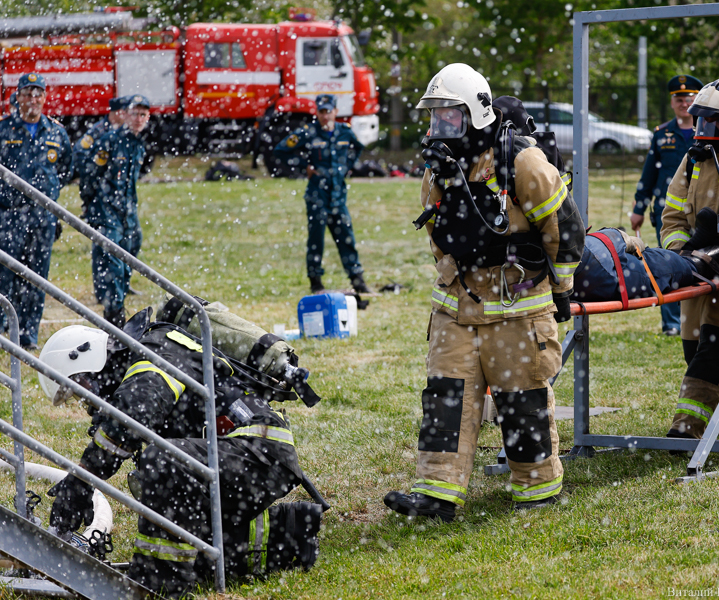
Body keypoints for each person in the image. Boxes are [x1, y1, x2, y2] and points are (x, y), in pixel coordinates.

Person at [383, 63, 585, 521]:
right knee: (446, 399)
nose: (439, 126)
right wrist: (455, 276)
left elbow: (564, 229)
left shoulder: (522, 163)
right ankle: (436, 495)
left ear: (475, 114)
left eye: (449, 116)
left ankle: (537, 489)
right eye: (435, 117)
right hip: (456, 307)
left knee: (522, 400)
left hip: (518, 306)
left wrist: (561, 290)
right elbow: (437, 234)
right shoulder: (438, 169)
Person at [39, 311, 323, 598]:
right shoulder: (142, 358)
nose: (87, 401)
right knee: (193, 547)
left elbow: (134, 415)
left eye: (82, 388)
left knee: (162, 463)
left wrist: (81, 481)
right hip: (249, 455)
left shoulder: (152, 353)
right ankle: (291, 531)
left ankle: (159, 583)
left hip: (257, 448)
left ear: (88, 359)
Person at [659, 78, 719, 441]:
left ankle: (686, 429)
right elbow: (672, 217)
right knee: (696, 351)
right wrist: (681, 257)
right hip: (697, 272)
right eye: (701, 121)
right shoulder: (694, 159)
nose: (705, 130)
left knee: (715, 352)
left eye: (714, 123)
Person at [0, 73, 73, 350]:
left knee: (36, 276)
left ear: (44, 97)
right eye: (27, 93)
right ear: (17, 97)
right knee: (5, 274)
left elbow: (64, 169)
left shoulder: (56, 132)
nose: (33, 99)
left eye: (38, 93)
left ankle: (28, 333)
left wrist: (47, 193)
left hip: (42, 217)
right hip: (9, 215)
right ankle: (2, 328)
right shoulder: (4, 130)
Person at [273, 94, 371, 294]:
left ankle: (357, 280)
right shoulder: (308, 132)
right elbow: (281, 150)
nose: (325, 116)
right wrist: (304, 166)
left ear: (336, 112)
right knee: (316, 239)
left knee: (346, 237)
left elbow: (357, 148)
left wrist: (346, 167)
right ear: (317, 113)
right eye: (321, 112)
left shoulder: (345, 132)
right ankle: (315, 282)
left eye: (328, 111)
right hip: (317, 195)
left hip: (338, 195)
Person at [632, 75, 703, 337]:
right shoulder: (662, 134)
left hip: (702, 211)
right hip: (669, 212)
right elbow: (649, 175)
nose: (684, 103)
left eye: (689, 98)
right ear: (672, 102)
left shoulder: (708, 131)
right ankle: (672, 323)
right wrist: (639, 209)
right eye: (679, 99)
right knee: (669, 263)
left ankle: (698, 318)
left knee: (700, 262)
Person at [81, 94, 151, 328]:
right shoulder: (109, 140)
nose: (138, 118)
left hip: (127, 209)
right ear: (126, 115)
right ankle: (114, 312)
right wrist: (90, 203)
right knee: (113, 260)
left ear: (148, 118)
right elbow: (90, 173)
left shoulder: (139, 143)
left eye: (143, 115)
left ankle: (119, 293)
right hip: (106, 208)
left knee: (133, 247)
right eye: (135, 113)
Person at [572, 225, 719, 303]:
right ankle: (701, 260)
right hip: (595, 265)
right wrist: (616, 236)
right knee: (658, 265)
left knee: (652, 258)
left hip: (584, 268)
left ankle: (691, 252)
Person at [73, 96, 129, 179]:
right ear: (118, 113)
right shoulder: (98, 131)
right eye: (125, 113)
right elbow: (79, 153)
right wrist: (91, 175)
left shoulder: (123, 130)